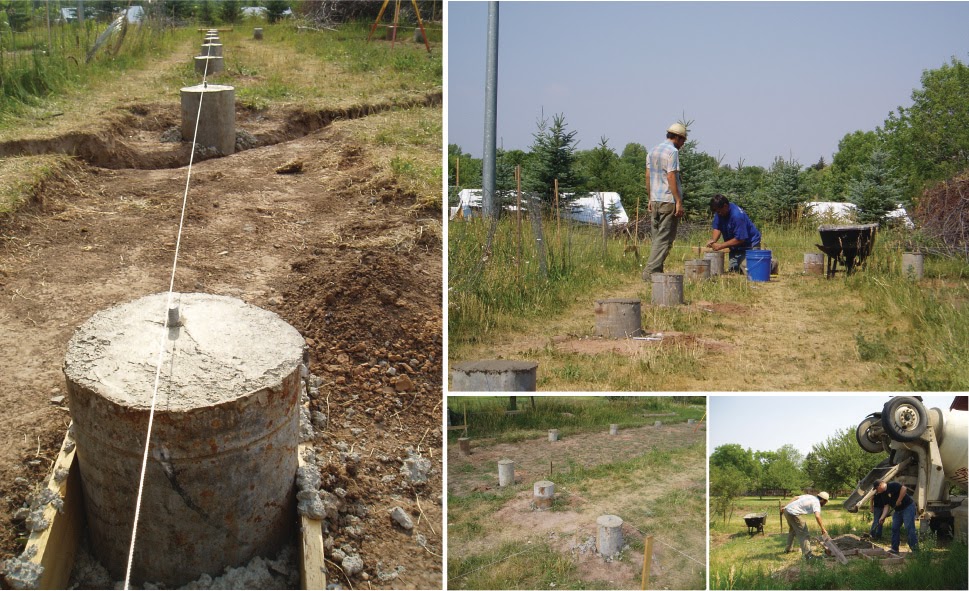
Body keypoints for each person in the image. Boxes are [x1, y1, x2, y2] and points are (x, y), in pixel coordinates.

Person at [644, 123, 687, 276]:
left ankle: (657, 272)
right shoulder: (672, 152)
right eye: (683, 141)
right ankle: (651, 273)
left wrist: (650, 198)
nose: (682, 145)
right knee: (665, 239)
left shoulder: (652, 150)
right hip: (668, 200)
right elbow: (671, 176)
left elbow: (648, 176)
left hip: (655, 199)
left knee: (657, 239)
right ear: (677, 138)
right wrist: (679, 201)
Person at [706, 194, 762, 272]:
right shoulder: (720, 212)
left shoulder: (737, 216)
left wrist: (720, 246)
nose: (718, 213)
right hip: (735, 247)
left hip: (749, 245)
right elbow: (717, 228)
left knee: (750, 270)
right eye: (716, 212)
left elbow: (740, 239)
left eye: (718, 211)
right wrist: (713, 241)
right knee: (733, 270)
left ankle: (770, 264)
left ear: (725, 206)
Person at [873, 480, 919, 554]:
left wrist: (899, 500)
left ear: (880, 485)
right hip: (897, 511)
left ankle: (916, 551)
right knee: (894, 528)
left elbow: (904, 488)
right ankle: (894, 549)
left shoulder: (892, 485)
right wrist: (882, 517)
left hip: (908, 507)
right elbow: (886, 506)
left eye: (876, 488)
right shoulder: (882, 494)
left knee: (909, 528)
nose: (876, 490)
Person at [781, 491, 829, 560]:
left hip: (787, 511)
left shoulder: (810, 496)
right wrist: (823, 528)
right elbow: (817, 516)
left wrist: (785, 507)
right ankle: (808, 556)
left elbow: (795, 498)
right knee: (804, 534)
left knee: (792, 530)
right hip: (793, 513)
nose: (825, 504)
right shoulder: (817, 503)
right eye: (825, 502)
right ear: (823, 500)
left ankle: (788, 549)